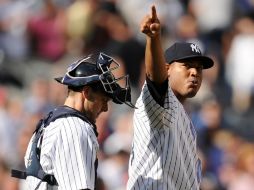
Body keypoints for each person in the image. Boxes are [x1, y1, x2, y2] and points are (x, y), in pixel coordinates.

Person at [12, 52, 134, 190]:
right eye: (104, 100)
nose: (105, 108)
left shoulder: (50, 122)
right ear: (86, 92)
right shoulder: (76, 127)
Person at [127, 5, 214, 190]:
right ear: (167, 69)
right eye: (187, 65)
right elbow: (155, 78)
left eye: (199, 68)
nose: (194, 73)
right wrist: (153, 39)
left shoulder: (184, 115)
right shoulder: (161, 100)